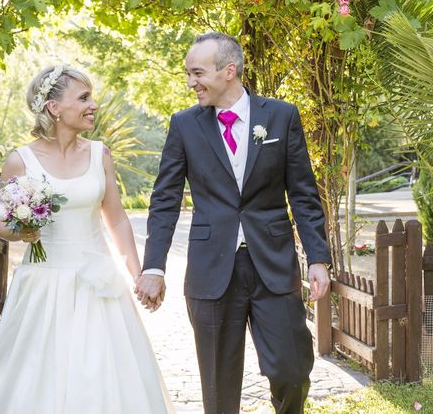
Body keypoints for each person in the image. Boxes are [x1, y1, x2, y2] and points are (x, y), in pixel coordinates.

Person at [135, 33, 331, 414]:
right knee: (218, 385)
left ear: (229, 71)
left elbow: (303, 194)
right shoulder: (184, 125)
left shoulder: (281, 116)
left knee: (291, 370)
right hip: (211, 270)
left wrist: (319, 258)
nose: (191, 82)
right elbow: (164, 201)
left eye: (197, 73)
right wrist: (154, 266)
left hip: (272, 265)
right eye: (188, 74)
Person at [0, 65, 174, 414]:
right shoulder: (20, 161)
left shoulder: (100, 154)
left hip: (99, 285)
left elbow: (117, 218)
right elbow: (1, 224)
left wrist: (139, 273)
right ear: (53, 107)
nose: (93, 105)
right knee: (39, 375)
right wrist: (20, 230)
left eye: (91, 97)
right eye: (84, 98)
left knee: (101, 376)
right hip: (43, 285)